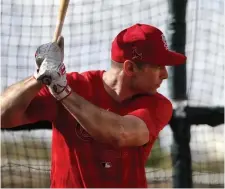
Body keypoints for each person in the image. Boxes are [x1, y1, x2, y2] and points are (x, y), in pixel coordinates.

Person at [1, 23, 186, 188]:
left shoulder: (158, 104)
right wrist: (38, 77)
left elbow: (120, 133)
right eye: (158, 67)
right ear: (129, 68)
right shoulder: (75, 85)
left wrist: (63, 92)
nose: (165, 74)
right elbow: (3, 116)